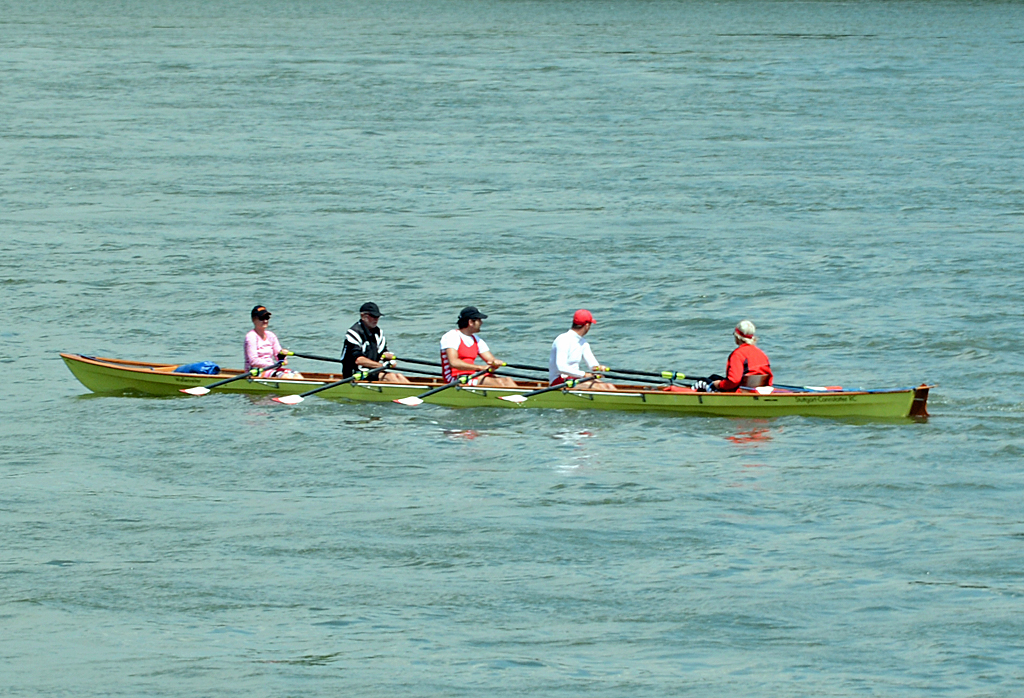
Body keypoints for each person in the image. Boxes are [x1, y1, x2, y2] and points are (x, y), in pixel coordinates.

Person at [439, 306, 517, 388]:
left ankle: (522, 399)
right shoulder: (452, 336)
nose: (481, 323)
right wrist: (480, 367)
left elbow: (490, 360)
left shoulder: (477, 339)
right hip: (454, 378)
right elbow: (453, 362)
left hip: (471, 375)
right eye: (479, 320)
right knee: (497, 383)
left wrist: (495, 363)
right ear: (471, 322)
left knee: (508, 380)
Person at [340, 302, 411, 383]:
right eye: (373, 316)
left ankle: (415, 393)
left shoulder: (378, 332)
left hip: (372, 371)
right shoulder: (353, 333)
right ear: (363, 316)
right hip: (355, 374)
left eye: (377, 316)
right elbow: (359, 360)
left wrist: (388, 357)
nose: (376, 319)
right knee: (390, 376)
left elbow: (382, 353)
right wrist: (382, 366)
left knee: (399, 376)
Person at [693, 320, 772, 392]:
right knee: (714, 377)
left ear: (737, 337)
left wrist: (719, 384)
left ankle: (691, 395)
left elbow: (734, 381)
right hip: (755, 389)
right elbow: (769, 379)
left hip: (739, 392)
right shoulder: (761, 353)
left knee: (702, 381)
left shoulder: (738, 354)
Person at [548, 309, 617, 390]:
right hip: (559, 380)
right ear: (587, 325)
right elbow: (561, 367)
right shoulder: (563, 340)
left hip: (575, 378)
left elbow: (592, 366)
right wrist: (584, 374)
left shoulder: (583, 342)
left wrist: (599, 367)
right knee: (601, 387)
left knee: (609, 386)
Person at [244, 305, 303, 379]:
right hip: (255, 371)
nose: (265, 321)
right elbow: (253, 361)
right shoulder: (251, 336)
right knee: (285, 376)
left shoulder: (271, 335)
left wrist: (282, 355)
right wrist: (272, 365)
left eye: (267, 318)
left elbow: (281, 359)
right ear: (253, 320)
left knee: (297, 375)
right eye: (261, 318)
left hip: (271, 368)